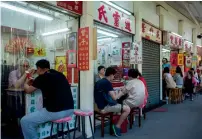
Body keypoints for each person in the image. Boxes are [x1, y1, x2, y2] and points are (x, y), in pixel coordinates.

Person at [21, 59, 74, 139]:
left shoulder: (42, 77)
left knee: (25, 121)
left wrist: (25, 83)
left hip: (55, 112)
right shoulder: (60, 74)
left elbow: (28, 90)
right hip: (70, 110)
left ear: (39, 68)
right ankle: (60, 133)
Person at [94, 67, 130, 137]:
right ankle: (117, 126)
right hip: (104, 107)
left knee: (119, 107)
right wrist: (122, 91)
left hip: (98, 105)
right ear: (111, 75)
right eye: (114, 75)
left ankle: (115, 124)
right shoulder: (107, 83)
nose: (114, 77)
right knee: (127, 109)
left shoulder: (101, 81)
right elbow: (114, 97)